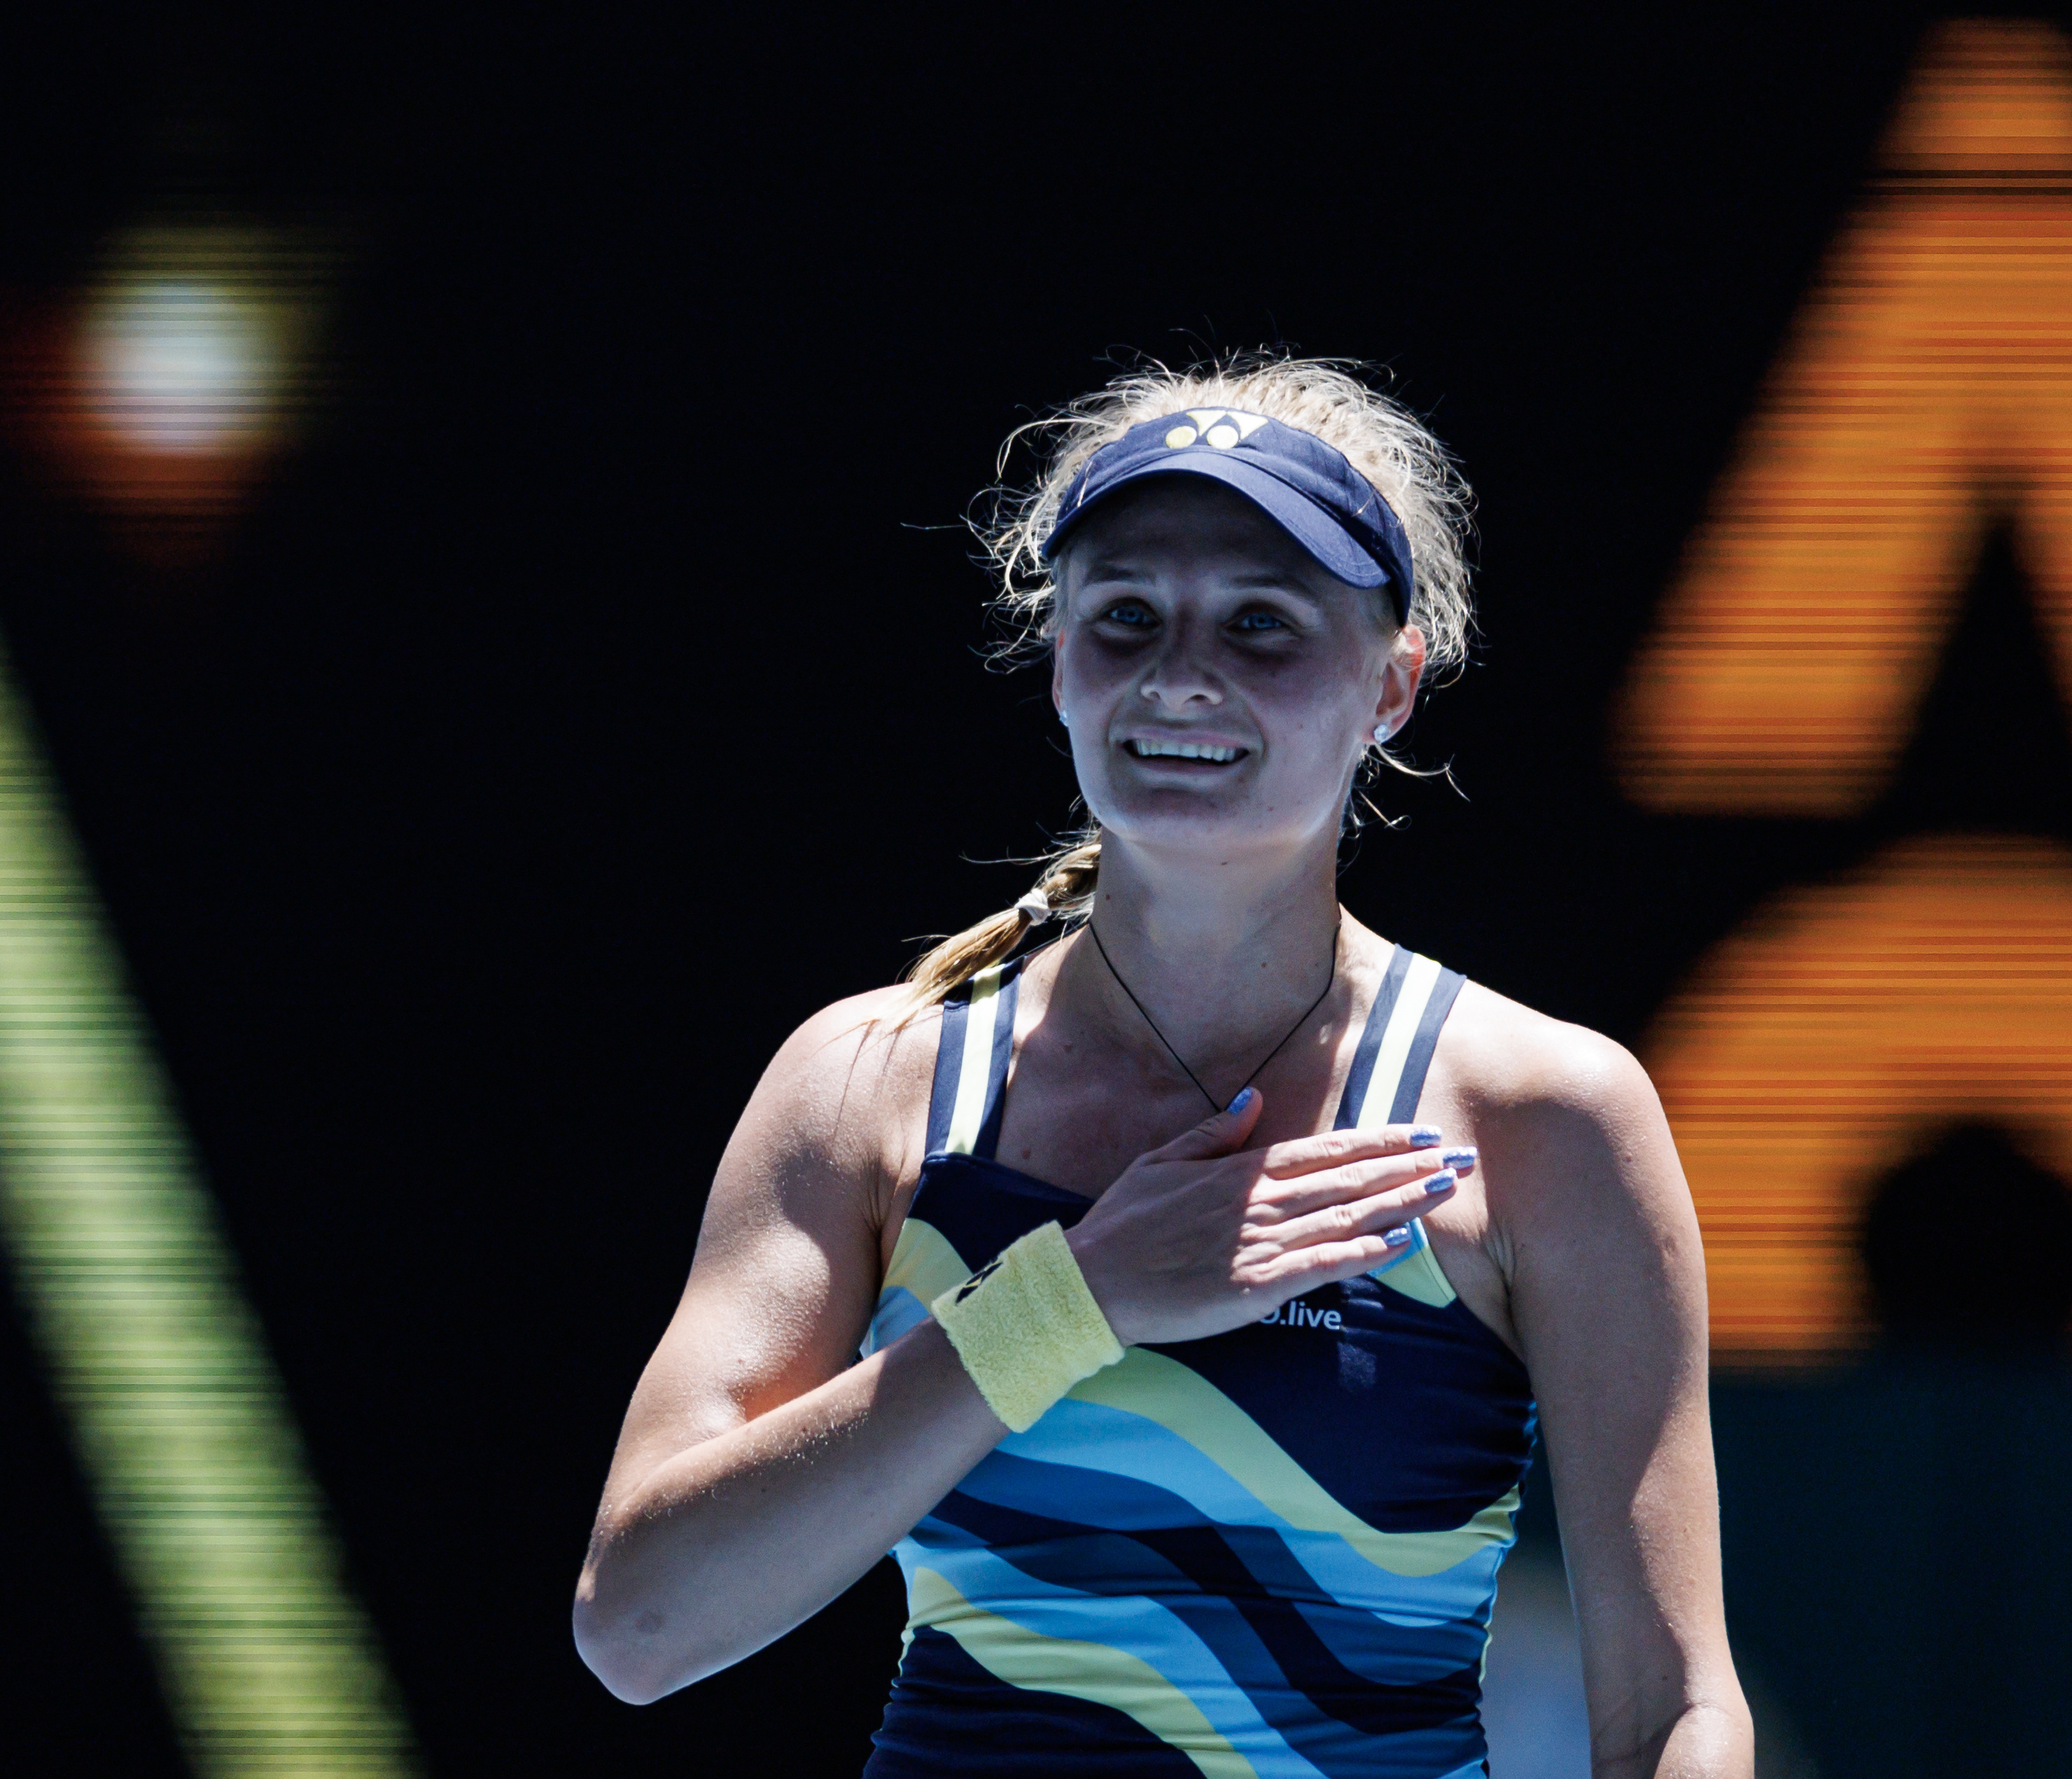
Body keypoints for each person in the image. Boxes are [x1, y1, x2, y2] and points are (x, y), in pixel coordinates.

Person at [573, 355, 1752, 1777]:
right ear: (1059, 658)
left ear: (1391, 684)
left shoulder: (1546, 1117)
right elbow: (639, 1623)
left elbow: (1672, 1712)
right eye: (1126, 613)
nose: (1180, 673)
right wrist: (1069, 1301)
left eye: (1261, 622)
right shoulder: (865, 1081)